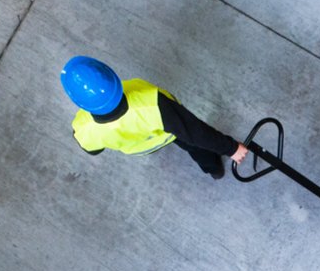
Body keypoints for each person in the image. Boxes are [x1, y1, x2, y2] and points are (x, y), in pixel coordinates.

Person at [60, 56, 248, 179]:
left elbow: (93, 150)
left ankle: (213, 171)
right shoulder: (152, 105)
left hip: (142, 147)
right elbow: (195, 132)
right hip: (167, 133)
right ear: (112, 78)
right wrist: (231, 148)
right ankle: (214, 168)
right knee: (194, 145)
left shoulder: (83, 129)